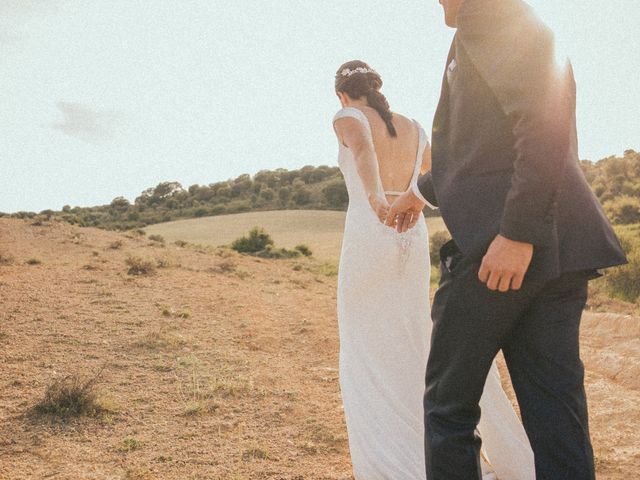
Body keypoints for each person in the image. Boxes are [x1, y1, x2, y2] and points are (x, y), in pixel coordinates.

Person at [387, 1, 628, 479]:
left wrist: (517, 233)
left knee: (447, 406)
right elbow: (482, 149)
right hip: (557, 250)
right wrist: (417, 191)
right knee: (554, 410)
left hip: (502, 249)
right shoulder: (522, 24)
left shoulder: (494, 18)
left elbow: (541, 126)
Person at [332, 59, 535, 480]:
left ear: (342, 94)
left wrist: (376, 204)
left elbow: (366, 151)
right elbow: (440, 177)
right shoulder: (415, 126)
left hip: (374, 228)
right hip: (411, 229)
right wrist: (417, 204)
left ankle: (393, 454)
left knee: (366, 339)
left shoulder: (347, 115)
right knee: (413, 333)